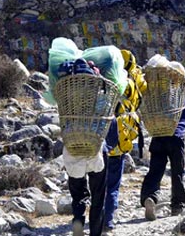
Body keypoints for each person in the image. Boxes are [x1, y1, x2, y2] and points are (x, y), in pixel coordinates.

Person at [59, 57, 115, 236]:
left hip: (72, 146)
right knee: (98, 195)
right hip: (95, 147)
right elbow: (108, 113)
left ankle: (78, 219)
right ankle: (95, 232)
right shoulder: (98, 96)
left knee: (77, 191)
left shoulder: (64, 95)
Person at [103, 50, 147, 233]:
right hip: (119, 142)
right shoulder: (129, 82)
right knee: (113, 183)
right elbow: (138, 100)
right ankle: (108, 221)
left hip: (98, 141)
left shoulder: (101, 81)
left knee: (98, 184)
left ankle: (95, 218)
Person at [140, 97, 185, 221]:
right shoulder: (184, 102)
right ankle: (177, 206)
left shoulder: (156, 100)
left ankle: (150, 197)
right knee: (177, 172)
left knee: (155, 171)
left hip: (157, 138)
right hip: (176, 139)